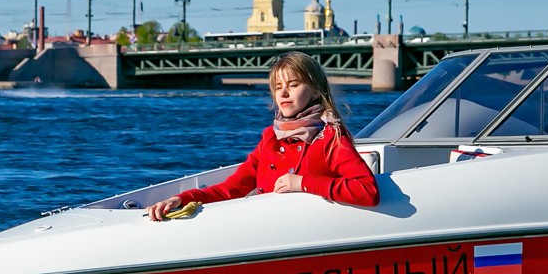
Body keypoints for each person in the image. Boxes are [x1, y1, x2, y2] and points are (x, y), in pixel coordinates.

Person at [147, 51, 380, 220]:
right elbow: (232, 189)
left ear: (316, 91)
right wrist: (183, 199)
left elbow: (367, 190)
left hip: (308, 234)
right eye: (278, 87)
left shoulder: (331, 136)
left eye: (294, 84)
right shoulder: (271, 137)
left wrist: (302, 183)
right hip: (266, 229)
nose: (284, 92)